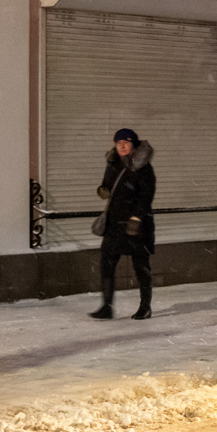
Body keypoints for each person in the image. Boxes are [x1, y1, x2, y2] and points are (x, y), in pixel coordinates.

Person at [92, 128, 156, 320]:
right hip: (114, 223)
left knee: (141, 266)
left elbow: (146, 196)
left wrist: (136, 218)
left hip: (137, 224)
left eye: (126, 142)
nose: (121, 146)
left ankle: (145, 307)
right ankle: (106, 307)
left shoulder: (143, 168)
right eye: (118, 142)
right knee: (106, 264)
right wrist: (104, 190)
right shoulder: (113, 164)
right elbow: (109, 189)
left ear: (134, 145)